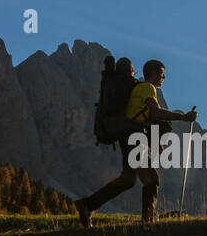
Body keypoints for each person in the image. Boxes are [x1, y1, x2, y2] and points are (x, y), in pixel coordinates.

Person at [75, 59, 196, 225]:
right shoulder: (147, 87)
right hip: (134, 136)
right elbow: (156, 113)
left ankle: (87, 205)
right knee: (152, 179)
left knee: (128, 180)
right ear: (153, 73)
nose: (164, 77)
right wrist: (183, 117)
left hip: (128, 136)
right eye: (162, 73)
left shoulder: (139, 88)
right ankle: (148, 220)